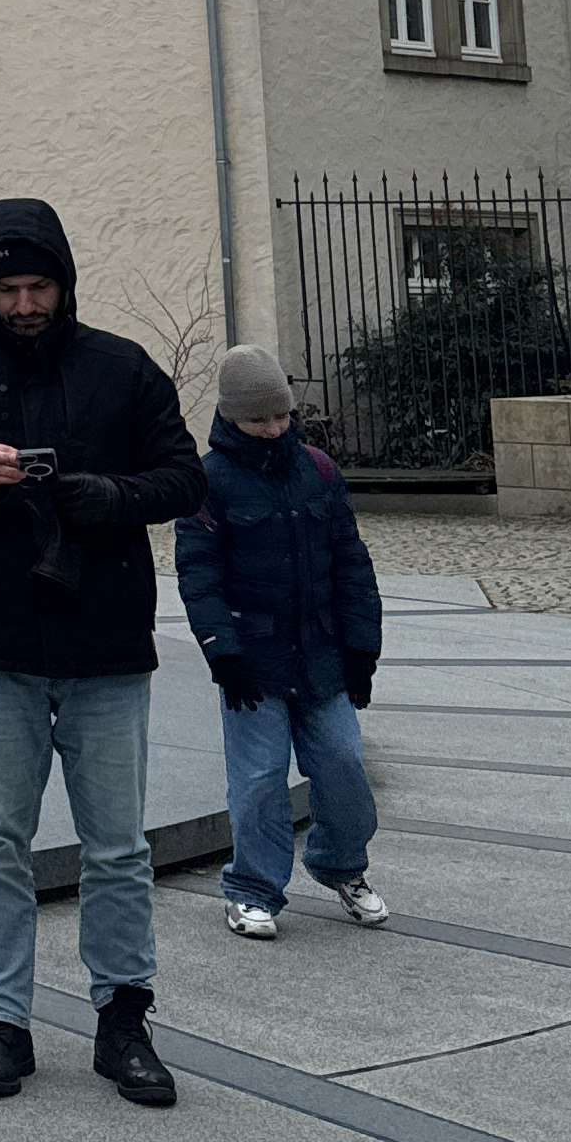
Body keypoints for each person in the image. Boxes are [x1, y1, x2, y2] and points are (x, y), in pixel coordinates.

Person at [0, 197, 204, 1108]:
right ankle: (2, 1022)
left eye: (39, 286)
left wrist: (109, 493)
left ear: (64, 284)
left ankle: (123, 1018)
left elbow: (185, 476)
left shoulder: (123, 368)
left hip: (105, 640)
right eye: (8, 288)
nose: (25, 302)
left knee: (116, 846)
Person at [177, 343, 388, 939]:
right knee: (260, 780)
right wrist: (223, 653)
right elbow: (198, 574)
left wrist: (362, 648)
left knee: (345, 766)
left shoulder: (318, 470)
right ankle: (251, 889)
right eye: (258, 419)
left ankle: (340, 865)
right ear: (232, 417)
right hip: (254, 662)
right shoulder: (208, 480)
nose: (272, 429)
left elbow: (351, 561)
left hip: (322, 657)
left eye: (280, 416)